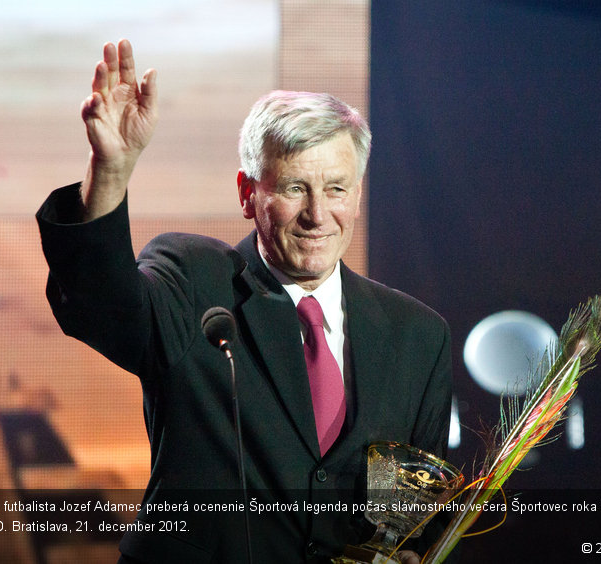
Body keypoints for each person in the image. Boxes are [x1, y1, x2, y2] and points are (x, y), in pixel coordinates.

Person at [36, 39, 452, 564]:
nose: (318, 215)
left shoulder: (416, 334)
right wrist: (111, 174)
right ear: (246, 193)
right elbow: (102, 306)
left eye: (338, 189)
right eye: (296, 188)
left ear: (360, 193)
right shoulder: (195, 281)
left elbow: (417, 516)